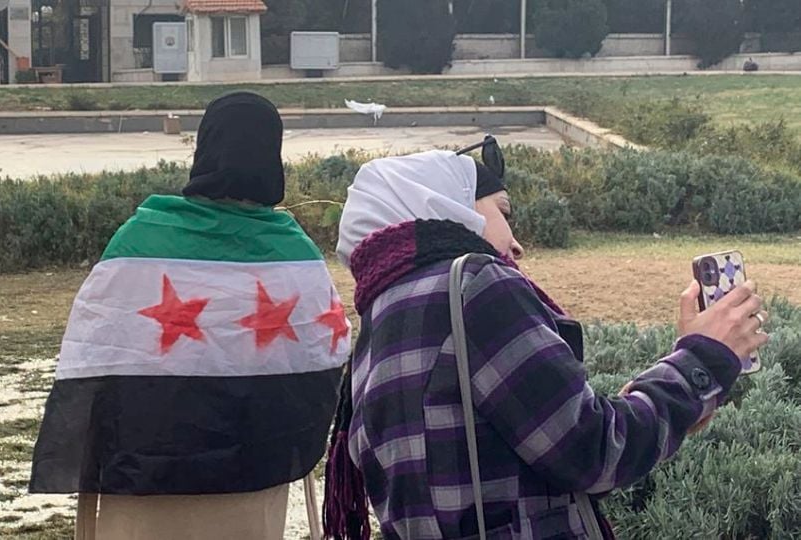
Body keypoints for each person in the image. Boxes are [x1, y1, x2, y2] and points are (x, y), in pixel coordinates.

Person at [323, 149, 767, 539]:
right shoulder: (474, 286)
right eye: (503, 211)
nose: (516, 244)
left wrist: (687, 389)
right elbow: (593, 451)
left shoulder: (381, 314)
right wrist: (700, 361)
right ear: (451, 207)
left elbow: (522, 443)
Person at [30, 92, 350, 539]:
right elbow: (322, 356)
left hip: (146, 481)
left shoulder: (142, 237)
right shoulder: (294, 254)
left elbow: (99, 345)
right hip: (251, 480)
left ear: (205, 148)